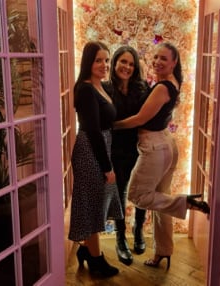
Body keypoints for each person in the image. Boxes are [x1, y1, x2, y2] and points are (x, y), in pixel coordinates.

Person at [113, 42, 210, 270]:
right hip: (166, 143)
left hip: (155, 146)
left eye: (163, 58)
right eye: (155, 57)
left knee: (138, 195)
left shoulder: (162, 87)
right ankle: (163, 252)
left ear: (174, 62)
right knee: (160, 202)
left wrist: (112, 125)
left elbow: (139, 119)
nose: (157, 61)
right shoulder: (172, 82)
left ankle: (184, 202)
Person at [68, 41, 123, 278]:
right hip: (90, 151)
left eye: (106, 60)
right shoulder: (85, 89)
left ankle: (86, 250)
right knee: (92, 207)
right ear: (88, 62)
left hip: (99, 149)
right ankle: (96, 260)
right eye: (98, 60)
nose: (104, 65)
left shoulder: (103, 87)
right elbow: (92, 131)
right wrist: (107, 167)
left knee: (96, 205)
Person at [104, 46, 150, 266]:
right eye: (123, 62)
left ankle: (138, 229)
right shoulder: (104, 89)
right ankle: (120, 238)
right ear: (114, 63)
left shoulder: (142, 88)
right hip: (115, 150)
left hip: (139, 147)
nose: (127, 67)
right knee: (119, 193)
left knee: (142, 190)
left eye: (131, 64)